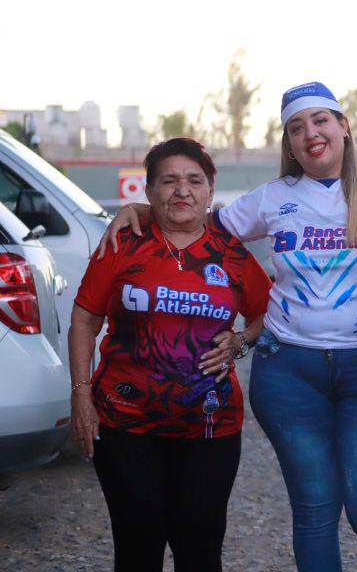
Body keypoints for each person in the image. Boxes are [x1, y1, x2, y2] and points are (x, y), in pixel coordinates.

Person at [98, 82, 357, 571]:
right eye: (296, 127)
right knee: (314, 508)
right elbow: (197, 222)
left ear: (343, 126)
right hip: (290, 370)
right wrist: (143, 209)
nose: (310, 133)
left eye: (320, 120)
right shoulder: (273, 197)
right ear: (288, 143)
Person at [69, 138, 271, 572]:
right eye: (169, 181)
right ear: (149, 191)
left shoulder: (232, 255)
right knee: (137, 546)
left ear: (210, 191)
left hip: (211, 428)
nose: (182, 190)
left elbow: (265, 314)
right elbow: (84, 319)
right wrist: (81, 394)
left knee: (200, 548)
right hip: (126, 423)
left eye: (194, 180)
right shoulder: (123, 243)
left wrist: (240, 342)